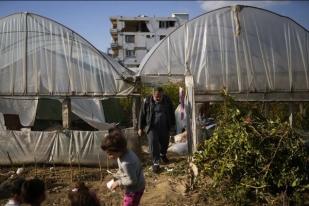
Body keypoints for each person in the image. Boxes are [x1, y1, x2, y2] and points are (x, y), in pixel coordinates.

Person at [101, 128, 145, 206]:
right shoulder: (124, 153)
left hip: (134, 190)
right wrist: (117, 176)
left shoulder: (126, 163)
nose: (109, 157)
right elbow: (124, 171)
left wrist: (118, 182)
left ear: (119, 150)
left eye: (110, 154)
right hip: (137, 185)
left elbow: (132, 181)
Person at [138, 86, 175, 173]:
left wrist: (172, 125)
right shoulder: (147, 101)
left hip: (164, 126)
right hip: (151, 126)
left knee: (165, 142)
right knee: (153, 142)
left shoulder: (167, 100)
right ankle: (156, 162)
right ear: (153, 94)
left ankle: (163, 155)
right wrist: (140, 127)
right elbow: (141, 114)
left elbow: (171, 113)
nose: (158, 98)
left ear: (163, 94)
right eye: (156, 96)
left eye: (160, 96)